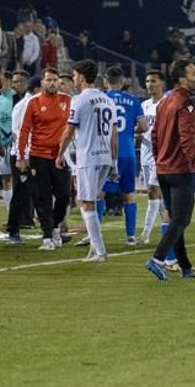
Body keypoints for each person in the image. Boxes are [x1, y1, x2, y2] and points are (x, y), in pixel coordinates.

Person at [145, 58, 195, 281]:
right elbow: (187, 140)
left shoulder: (164, 102)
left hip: (164, 170)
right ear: (182, 79)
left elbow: (154, 136)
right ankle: (157, 259)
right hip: (181, 171)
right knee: (181, 219)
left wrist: (159, 160)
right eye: (194, 75)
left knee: (176, 219)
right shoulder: (186, 104)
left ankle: (185, 267)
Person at [58, 60, 117, 263]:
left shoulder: (79, 100)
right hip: (105, 157)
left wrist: (60, 154)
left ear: (82, 77)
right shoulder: (107, 99)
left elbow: (69, 131)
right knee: (86, 200)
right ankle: (93, 248)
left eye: (75, 75)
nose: (74, 78)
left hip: (88, 157)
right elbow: (114, 134)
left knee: (86, 202)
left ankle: (100, 251)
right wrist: (114, 161)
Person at [16, 68, 72, 251]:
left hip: (60, 156)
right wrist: (21, 156)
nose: (52, 83)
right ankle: (47, 236)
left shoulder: (67, 100)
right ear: (42, 83)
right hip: (39, 155)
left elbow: (74, 126)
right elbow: (24, 130)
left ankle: (54, 226)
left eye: (55, 80)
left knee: (64, 195)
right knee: (43, 198)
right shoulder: (33, 102)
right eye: (49, 80)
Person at [102, 68, 145, 245]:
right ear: (122, 81)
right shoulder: (133, 100)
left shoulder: (102, 98)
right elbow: (144, 126)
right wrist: (130, 132)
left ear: (106, 82)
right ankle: (131, 237)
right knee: (128, 194)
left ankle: (94, 235)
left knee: (99, 193)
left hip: (106, 152)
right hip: (127, 152)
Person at [136, 69, 166, 252]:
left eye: (153, 81)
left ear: (162, 83)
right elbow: (141, 128)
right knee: (157, 195)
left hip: (161, 155)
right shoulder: (144, 105)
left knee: (152, 191)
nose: (149, 84)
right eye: (147, 81)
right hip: (145, 154)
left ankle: (145, 234)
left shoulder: (167, 103)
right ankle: (168, 227)